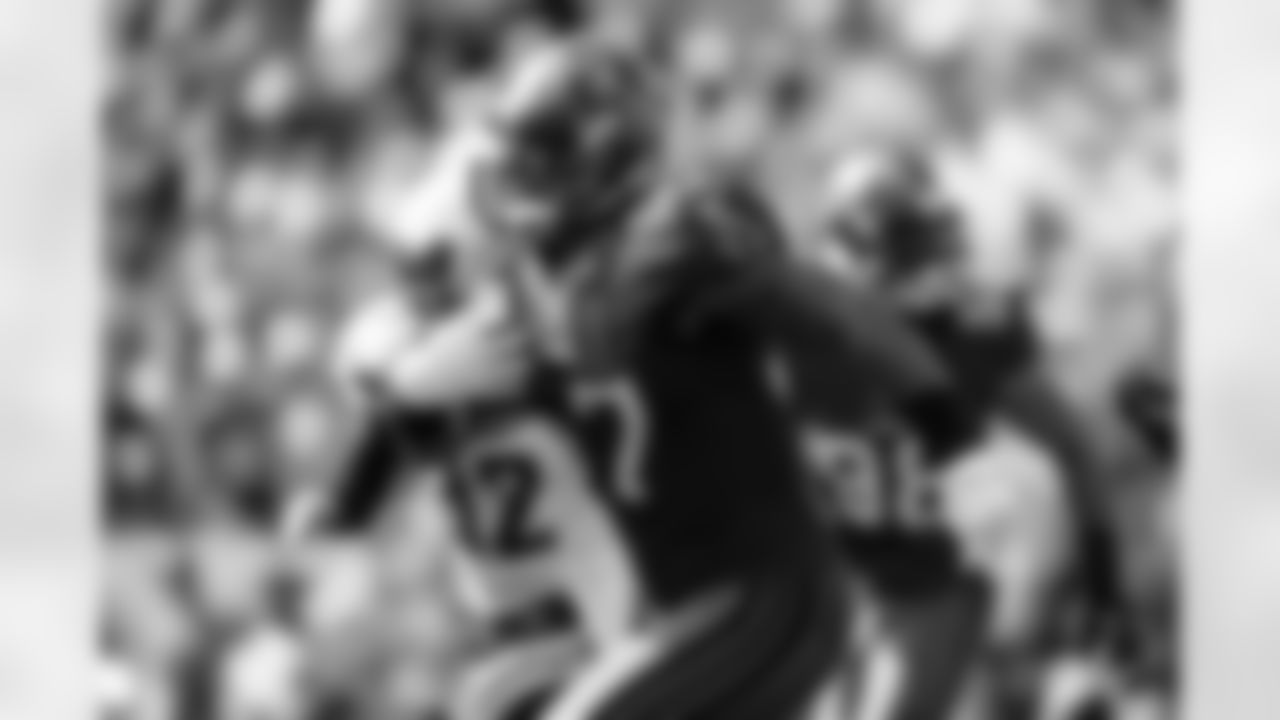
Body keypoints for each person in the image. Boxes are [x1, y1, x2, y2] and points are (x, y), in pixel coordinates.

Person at [350, 39, 985, 720]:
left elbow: (832, 309)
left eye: (544, 152)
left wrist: (941, 417)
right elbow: (446, 427)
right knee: (494, 701)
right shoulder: (551, 292)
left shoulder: (672, 236)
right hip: (685, 612)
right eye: (520, 152)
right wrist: (402, 397)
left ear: (607, 156)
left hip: (757, 600)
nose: (520, 175)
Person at [812, 144, 1129, 719]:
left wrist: (1102, 578)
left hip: (939, 574)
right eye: (907, 243)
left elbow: (1073, 446)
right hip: (836, 578)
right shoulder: (801, 328)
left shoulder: (970, 331)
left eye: (926, 237)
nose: (929, 262)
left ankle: (1040, 678)